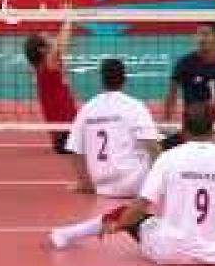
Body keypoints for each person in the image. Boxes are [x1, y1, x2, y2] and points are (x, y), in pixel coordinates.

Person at [49, 105, 215, 265]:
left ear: (183, 129)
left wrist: (118, 225)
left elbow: (141, 207)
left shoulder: (167, 158)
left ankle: (66, 234)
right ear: (213, 128)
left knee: (127, 213)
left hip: (167, 253)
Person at [65, 58, 160, 197]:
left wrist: (85, 183)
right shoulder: (135, 106)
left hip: (101, 185)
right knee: (165, 142)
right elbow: (152, 146)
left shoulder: (87, 108)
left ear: (101, 80)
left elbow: (75, 151)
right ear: (124, 79)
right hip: (135, 184)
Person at [23, 8, 78, 154]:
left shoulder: (42, 67)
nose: (48, 35)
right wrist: (69, 17)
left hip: (64, 134)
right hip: (67, 136)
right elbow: (61, 44)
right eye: (45, 37)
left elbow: (58, 44)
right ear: (42, 50)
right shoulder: (48, 66)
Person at [163, 23, 215, 122]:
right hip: (195, 118)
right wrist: (166, 122)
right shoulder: (185, 62)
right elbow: (172, 94)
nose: (201, 38)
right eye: (198, 34)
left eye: (206, 34)